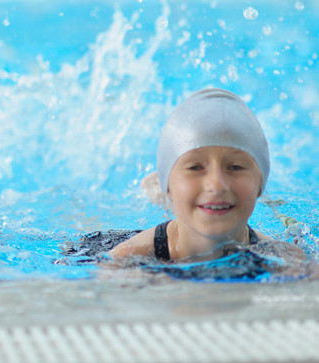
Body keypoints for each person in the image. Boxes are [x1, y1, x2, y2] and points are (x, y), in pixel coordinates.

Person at [109, 88, 304, 264]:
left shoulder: (285, 260)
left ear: (261, 183)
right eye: (195, 167)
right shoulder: (128, 259)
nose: (217, 184)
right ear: (167, 183)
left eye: (235, 167)